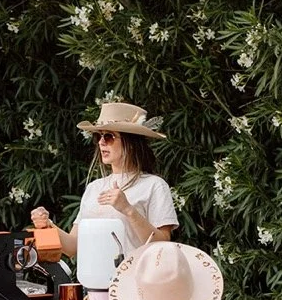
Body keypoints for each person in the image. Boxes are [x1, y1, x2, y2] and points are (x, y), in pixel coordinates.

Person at [31, 101, 178, 255]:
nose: (101, 142)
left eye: (109, 136)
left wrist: (128, 209)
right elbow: (73, 247)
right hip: (93, 277)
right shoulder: (94, 188)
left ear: (131, 143)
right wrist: (48, 224)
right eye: (98, 136)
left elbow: (162, 245)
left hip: (134, 277)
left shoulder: (154, 185)